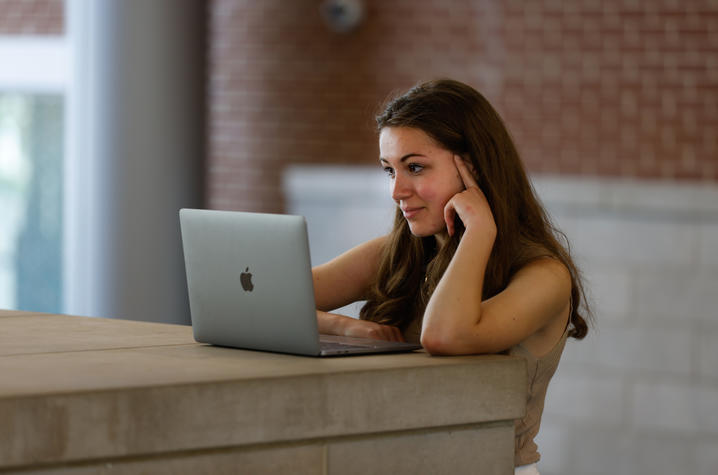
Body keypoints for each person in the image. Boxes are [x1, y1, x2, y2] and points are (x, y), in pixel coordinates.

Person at [312, 79, 591, 474]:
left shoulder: (544, 275)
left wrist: (479, 231)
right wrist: (343, 327)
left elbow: (445, 336)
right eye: (389, 170)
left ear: (472, 167)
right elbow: (262, 299)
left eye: (415, 167)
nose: (396, 190)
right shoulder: (395, 254)